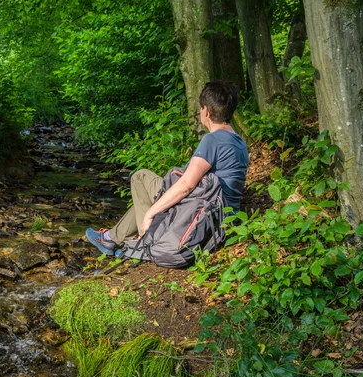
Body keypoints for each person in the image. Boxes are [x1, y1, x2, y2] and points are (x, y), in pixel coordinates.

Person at [86, 80, 249, 255]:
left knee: (141, 177)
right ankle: (111, 238)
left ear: (206, 112)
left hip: (203, 214)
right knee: (151, 198)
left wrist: (149, 214)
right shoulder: (239, 141)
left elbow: (186, 185)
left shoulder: (213, 140)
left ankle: (144, 243)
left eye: (201, 108)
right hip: (224, 217)